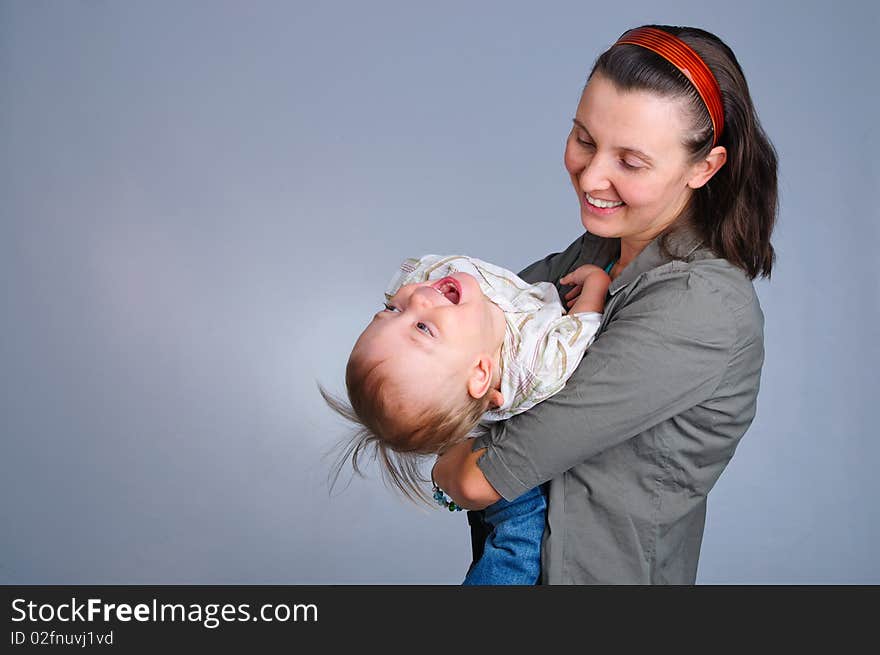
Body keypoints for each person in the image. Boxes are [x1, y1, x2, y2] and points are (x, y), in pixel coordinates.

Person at [432, 24, 777, 584]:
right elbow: (461, 346)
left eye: (631, 162)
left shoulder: (702, 306)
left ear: (704, 167)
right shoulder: (600, 248)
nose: (592, 176)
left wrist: (452, 456)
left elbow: (481, 475)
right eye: (584, 139)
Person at [322, 253, 612, 584]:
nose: (415, 295)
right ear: (480, 373)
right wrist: (595, 287)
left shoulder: (446, 304)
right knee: (519, 541)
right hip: (490, 451)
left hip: (460, 434)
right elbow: (578, 333)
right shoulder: (537, 362)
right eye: (422, 327)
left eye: (391, 311)